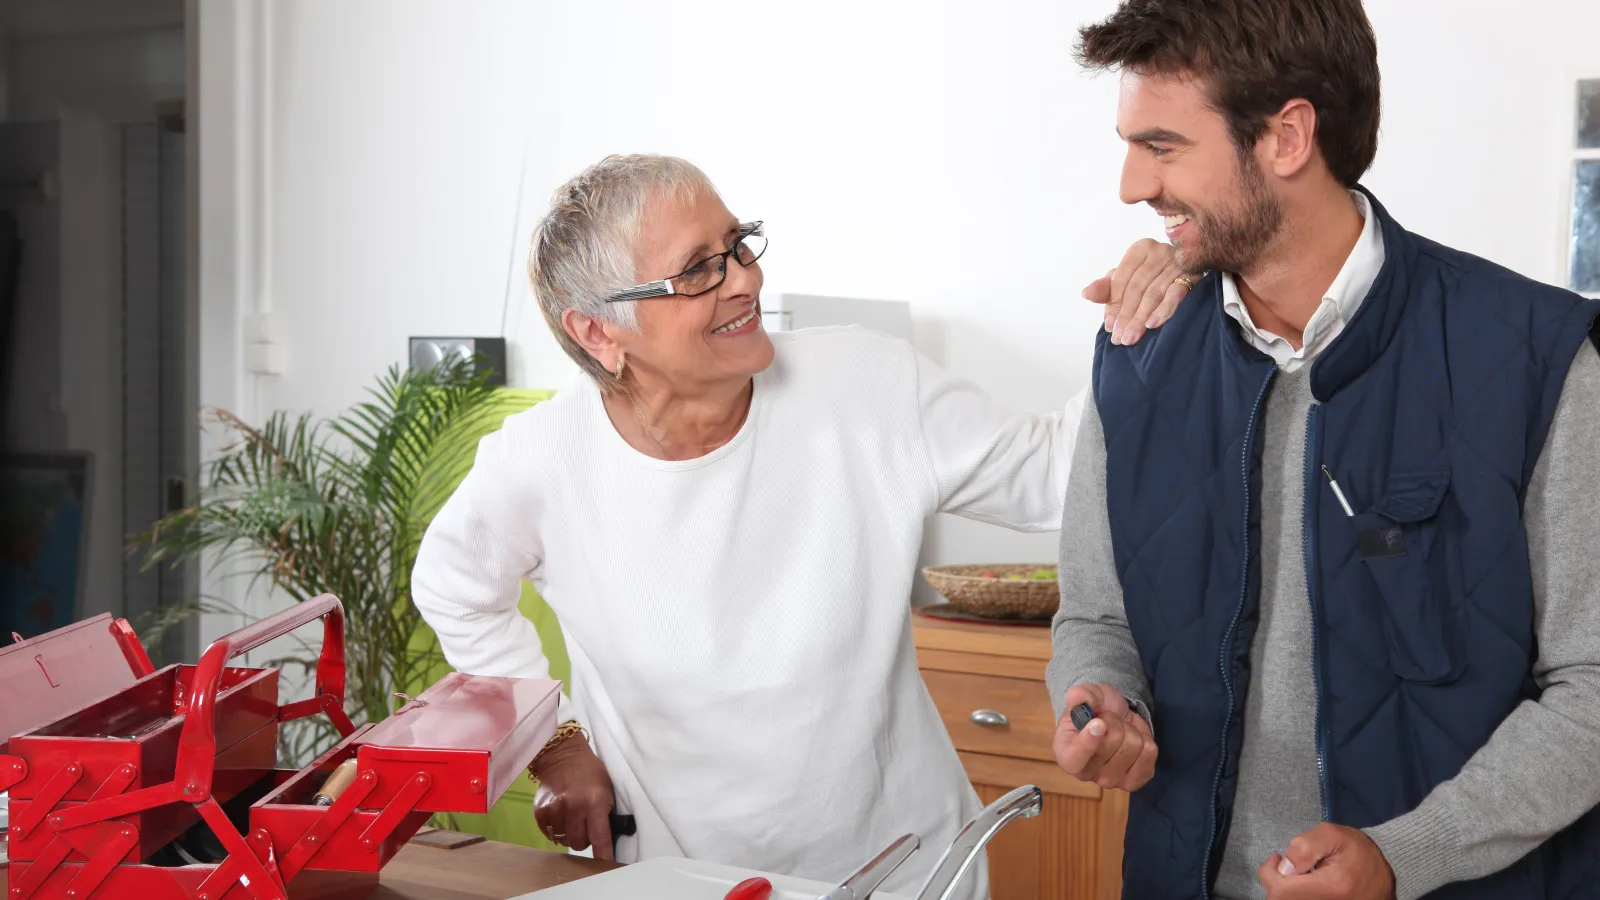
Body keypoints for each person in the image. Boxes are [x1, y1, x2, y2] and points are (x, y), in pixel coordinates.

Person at [411, 154, 1193, 896]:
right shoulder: (543, 460)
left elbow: (1058, 476)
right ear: (596, 331)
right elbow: (453, 588)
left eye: (738, 245)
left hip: (907, 872)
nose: (744, 279)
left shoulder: (863, 383)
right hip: (678, 876)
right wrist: (556, 746)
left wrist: (1153, 314)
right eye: (697, 269)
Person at [1046, 2, 1600, 899]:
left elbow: (1593, 688)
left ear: (1288, 136)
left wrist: (1405, 855)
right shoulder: (1138, 347)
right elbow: (1096, 617)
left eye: (1164, 146)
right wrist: (1100, 701)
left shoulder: (1538, 357)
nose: (1130, 185)